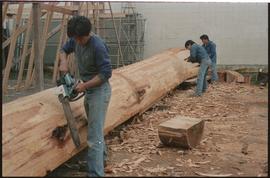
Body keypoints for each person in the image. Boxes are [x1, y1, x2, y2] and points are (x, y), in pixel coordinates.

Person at [59, 15, 112, 177]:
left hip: (99, 90)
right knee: (95, 129)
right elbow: (64, 49)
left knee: (93, 135)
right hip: (88, 89)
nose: (77, 42)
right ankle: (101, 161)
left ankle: (96, 173)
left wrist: (84, 86)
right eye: (74, 39)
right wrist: (64, 62)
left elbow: (106, 73)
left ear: (86, 34)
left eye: (79, 39)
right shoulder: (76, 38)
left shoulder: (98, 46)